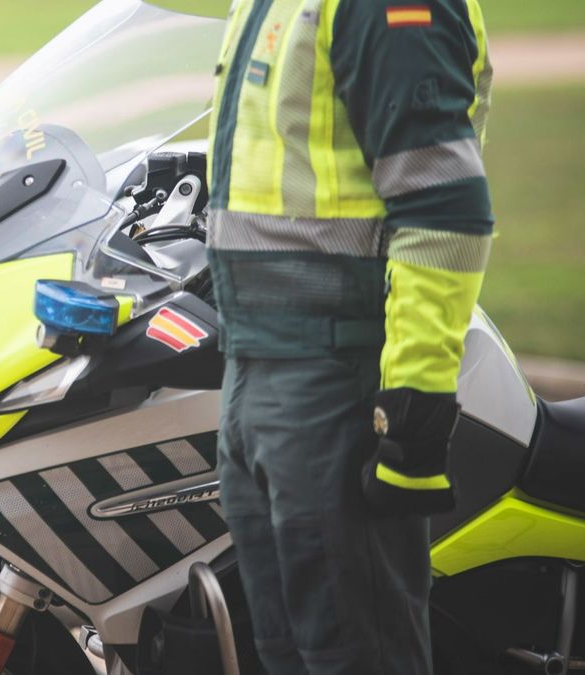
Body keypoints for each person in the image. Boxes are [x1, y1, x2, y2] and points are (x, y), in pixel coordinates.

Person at [205, 0, 492, 672]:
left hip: (332, 377)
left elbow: (445, 209)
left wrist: (414, 407)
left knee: (358, 657)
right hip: (255, 367)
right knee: (286, 653)